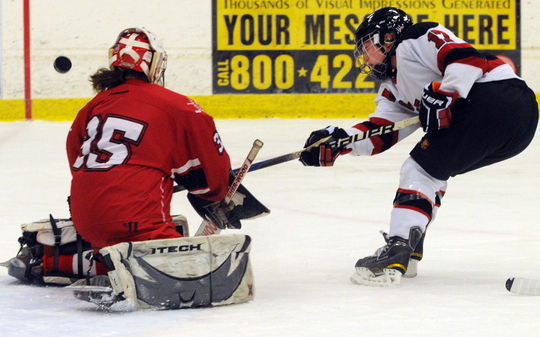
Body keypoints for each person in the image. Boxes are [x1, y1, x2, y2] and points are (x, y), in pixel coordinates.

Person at [299, 7, 538, 286]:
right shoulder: (392, 87)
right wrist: (339, 142)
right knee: (433, 171)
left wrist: (445, 94)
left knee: (420, 170)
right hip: (516, 131)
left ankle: (398, 248)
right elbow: (381, 132)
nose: (365, 56)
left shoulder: (415, 38)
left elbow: (466, 58)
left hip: (499, 98)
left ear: (388, 37)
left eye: (367, 46)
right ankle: (409, 249)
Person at [7, 27, 239, 283]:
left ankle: (51, 261)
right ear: (153, 63)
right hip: (137, 219)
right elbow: (214, 179)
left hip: (86, 219)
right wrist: (213, 196)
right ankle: (136, 267)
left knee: (148, 233)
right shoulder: (181, 106)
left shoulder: (91, 108)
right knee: (194, 266)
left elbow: (78, 164)